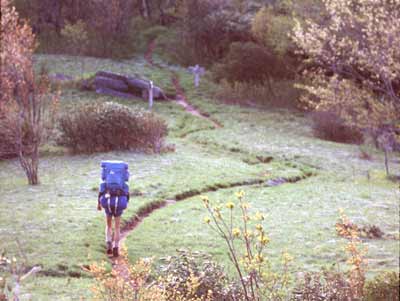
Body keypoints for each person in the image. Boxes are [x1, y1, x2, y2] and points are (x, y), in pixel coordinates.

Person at [98, 161, 130, 257]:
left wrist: (98, 204)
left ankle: (109, 245)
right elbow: (127, 195)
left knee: (108, 225)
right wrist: (126, 204)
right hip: (119, 203)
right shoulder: (124, 185)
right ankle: (116, 247)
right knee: (117, 227)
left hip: (107, 203)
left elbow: (100, 193)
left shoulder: (105, 184)